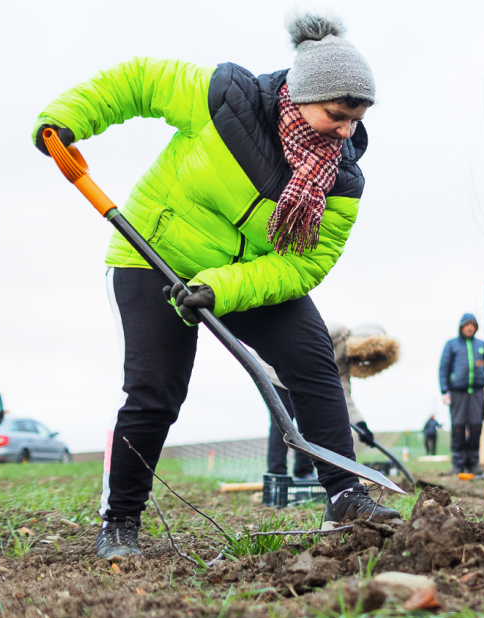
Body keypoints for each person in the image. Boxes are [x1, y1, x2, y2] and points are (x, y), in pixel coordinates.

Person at [32, 10, 400, 562]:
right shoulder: (226, 98)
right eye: (338, 115)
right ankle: (121, 522)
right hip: (152, 258)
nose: (347, 130)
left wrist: (220, 289)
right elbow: (138, 81)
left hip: (241, 277)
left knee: (312, 356)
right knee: (155, 390)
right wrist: (66, 119)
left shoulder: (341, 180)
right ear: (301, 96)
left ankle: (346, 495)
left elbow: (302, 267)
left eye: (357, 118)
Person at [262, 322, 390, 481]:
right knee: (282, 422)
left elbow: (344, 395)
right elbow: (297, 339)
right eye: (368, 352)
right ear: (363, 341)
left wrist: (360, 424)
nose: (365, 359)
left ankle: (303, 473)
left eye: (372, 359)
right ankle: (276, 475)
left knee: (308, 422)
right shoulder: (335, 333)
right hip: (276, 370)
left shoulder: (344, 363)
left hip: (302, 381)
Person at [438, 314, 484, 474]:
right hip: (457, 392)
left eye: (473, 325)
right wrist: (444, 391)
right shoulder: (452, 345)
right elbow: (444, 368)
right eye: (467, 325)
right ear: (461, 326)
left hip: (478, 392)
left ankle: (473, 463)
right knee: (458, 427)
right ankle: (458, 463)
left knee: (475, 427)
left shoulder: (482, 345)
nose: (470, 328)